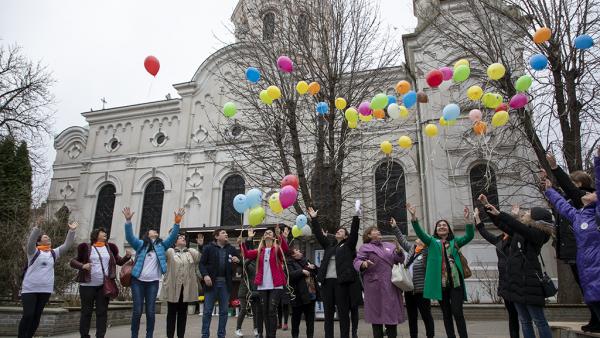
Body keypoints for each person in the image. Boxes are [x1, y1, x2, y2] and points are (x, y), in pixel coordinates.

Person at [479, 194, 554, 338]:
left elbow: (517, 226)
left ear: (535, 219)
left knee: (539, 320)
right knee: (524, 321)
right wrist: (488, 207)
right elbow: (504, 226)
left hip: (530, 282)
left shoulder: (538, 235)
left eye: (528, 213)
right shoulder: (521, 233)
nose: (524, 213)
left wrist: (501, 213)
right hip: (516, 282)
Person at [544, 152, 598, 332]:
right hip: (581, 257)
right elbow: (562, 204)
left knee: (593, 288)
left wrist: (555, 168)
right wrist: (550, 190)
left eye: (574, 186)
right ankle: (595, 318)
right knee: (587, 288)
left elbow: (569, 190)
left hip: (592, 258)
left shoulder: (594, 207)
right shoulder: (578, 212)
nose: (573, 192)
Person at [411, 205, 474, 338]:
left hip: (455, 284)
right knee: (446, 314)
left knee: (457, 312)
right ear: (436, 230)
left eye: (444, 225)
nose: (441, 227)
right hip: (441, 285)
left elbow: (469, 236)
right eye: (439, 225)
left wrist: (468, 221)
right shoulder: (432, 242)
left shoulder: (455, 241)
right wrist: (414, 218)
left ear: (448, 229)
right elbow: (420, 233)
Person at [124, 207, 184, 338]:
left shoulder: (162, 246)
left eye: (156, 230)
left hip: (153, 283)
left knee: (151, 312)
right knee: (137, 311)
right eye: (153, 230)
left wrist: (177, 222)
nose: (155, 231)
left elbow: (173, 237)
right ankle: (134, 335)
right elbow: (129, 237)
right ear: (147, 234)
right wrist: (128, 221)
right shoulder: (140, 244)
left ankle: (149, 335)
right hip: (137, 282)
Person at [307, 205, 361, 338]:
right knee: (328, 314)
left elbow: (354, 233)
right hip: (327, 284)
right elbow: (319, 235)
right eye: (338, 230)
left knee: (343, 314)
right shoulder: (329, 246)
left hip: (341, 283)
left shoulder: (348, 246)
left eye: (341, 231)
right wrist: (314, 219)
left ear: (346, 236)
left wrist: (356, 217)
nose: (338, 231)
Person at [18, 219, 77, 338]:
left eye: (49, 237)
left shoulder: (54, 253)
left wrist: (71, 231)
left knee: (36, 316)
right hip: (30, 289)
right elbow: (30, 242)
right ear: (39, 242)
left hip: (45, 289)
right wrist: (37, 228)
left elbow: (67, 245)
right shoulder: (33, 252)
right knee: (28, 315)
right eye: (45, 237)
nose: (48, 238)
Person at [71, 227, 131, 338]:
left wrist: (127, 257)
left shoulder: (110, 248)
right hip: (87, 285)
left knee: (102, 312)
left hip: (103, 286)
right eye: (102, 232)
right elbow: (73, 262)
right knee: (86, 312)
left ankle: (100, 335)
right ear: (96, 235)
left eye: (105, 233)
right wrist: (83, 266)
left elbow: (118, 261)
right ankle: (84, 335)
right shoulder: (86, 248)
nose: (105, 234)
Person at [354, 225, 406, 338]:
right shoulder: (365, 247)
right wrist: (363, 264)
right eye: (375, 231)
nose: (378, 231)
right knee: (376, 317)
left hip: (390, 284)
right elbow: (357, 261)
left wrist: (399, 252)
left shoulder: (390, 245)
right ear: (369, 235)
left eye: (378, 230)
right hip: (374, 286)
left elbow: (399, 261)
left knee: (391, 316)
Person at [474, 206, 519, 338]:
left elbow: (518, 227)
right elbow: (484, 232)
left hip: (518, 281)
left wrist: (515, 217)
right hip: (505, 282)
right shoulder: (500, 239)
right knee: (512, 315)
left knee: (523, 315)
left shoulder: (517, 237)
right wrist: (477, 218)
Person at [240, 225, 289, 338]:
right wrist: (246, 240)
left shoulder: (277, 249)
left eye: (270, 233)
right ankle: (267, 335)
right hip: (263, 285)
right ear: (263, 237)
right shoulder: (259, 251)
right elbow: (246, 254)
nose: (267, 234)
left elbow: (285, 250)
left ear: (273, 237)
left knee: (272, 310)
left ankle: (272, 335)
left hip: (276, 285)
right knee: (265, 311)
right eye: (266, 233)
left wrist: (279, 235)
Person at [390, 216, 434, 338]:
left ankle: (430, 335)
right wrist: (395, 227)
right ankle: (413, 335)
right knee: (412, 316)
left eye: (421, 237)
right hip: (409, 290)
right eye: (418, 238)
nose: (418, 239)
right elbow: (402, 240)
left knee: (426, 315)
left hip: (422, 290)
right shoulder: (411, 250)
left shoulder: (427, 252)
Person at [199, 228, 241, 338]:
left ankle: (221, 335)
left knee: (224, 312)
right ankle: (205, 335)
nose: (226, 234)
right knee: (207, 311)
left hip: (225, 285)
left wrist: (238, 260)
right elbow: (201, 264)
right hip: (211, 284)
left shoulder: (231, 249)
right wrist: (205, 275)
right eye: (223, 233)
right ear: (217, 237)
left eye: (226, 233)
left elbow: (240, 260)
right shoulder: (208, 248)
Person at [161, 233, 201, 338]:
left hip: (186, 289)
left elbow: (199, 258)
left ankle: (180, 336)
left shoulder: (191, 252)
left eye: (184, 238)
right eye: (180, 238)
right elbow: (161, 253)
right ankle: (170, 336)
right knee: (171, 314)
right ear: (174, 241)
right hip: (173, 288)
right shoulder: (170, 251)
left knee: (183, 315)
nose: (183, 239)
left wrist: (200, 246)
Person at [287, 246, 319, 338]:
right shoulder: (289, 263)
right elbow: (290, 275)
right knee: (296, 319)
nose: (299, 251)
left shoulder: (306, 261)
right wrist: (302, 271)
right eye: (296, 250)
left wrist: (313, 267)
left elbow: (316, 271)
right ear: (292, 255)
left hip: (311, 294)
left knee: (310, 320)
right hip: (298, 296)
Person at [235, 228, 260, 338]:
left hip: (255, 289)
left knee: (256, 311)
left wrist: (250, 238)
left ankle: (256, 328)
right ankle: (238, 329)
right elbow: (240, 272)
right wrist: (240, 262)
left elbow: (250, 250)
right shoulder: (242, 262)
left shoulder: (256, 261)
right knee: (243, 309)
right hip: (244, 289)